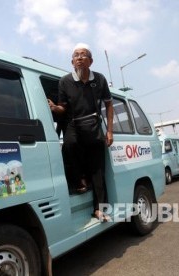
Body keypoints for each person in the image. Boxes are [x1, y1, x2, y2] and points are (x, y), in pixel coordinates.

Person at [48, 43, 114, 222]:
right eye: (76, 55)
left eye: (83, 55)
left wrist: (109, 131)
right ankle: (79, 180)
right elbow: (63, 107)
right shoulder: (65, 81)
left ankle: (100, 210)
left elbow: (109, 104)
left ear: (90, 61)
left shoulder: (99, 79)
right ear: (72, 62)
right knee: (69, 145)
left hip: (93, 124)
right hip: (73, 124)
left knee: (98, 169)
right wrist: (54, 107)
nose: (79, 57)